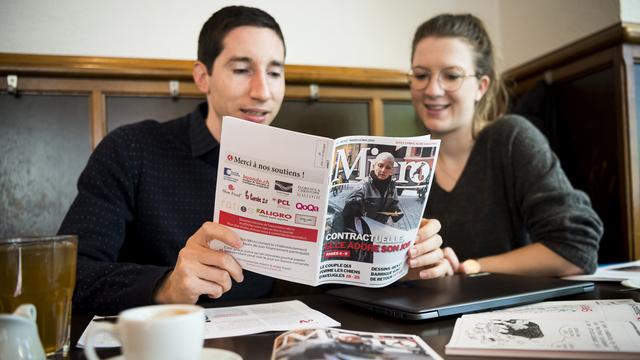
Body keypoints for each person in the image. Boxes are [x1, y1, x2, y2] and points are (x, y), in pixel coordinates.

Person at [58, 6, 450, 315]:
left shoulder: (311, 162)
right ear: (203, 76)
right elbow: (70, 273)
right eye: (242, 69)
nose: (263, 91)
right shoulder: (132, 148)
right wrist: (167, 285)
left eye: (275, 72)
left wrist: (398, 268)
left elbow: (330, 281)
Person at [408, 14, 603, 276]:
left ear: (481, 86)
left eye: (451, 76)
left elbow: (577, 248)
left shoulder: (511, 139)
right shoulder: (402, 159)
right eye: (421, 75)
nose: (432, 89)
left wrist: (470, 268)